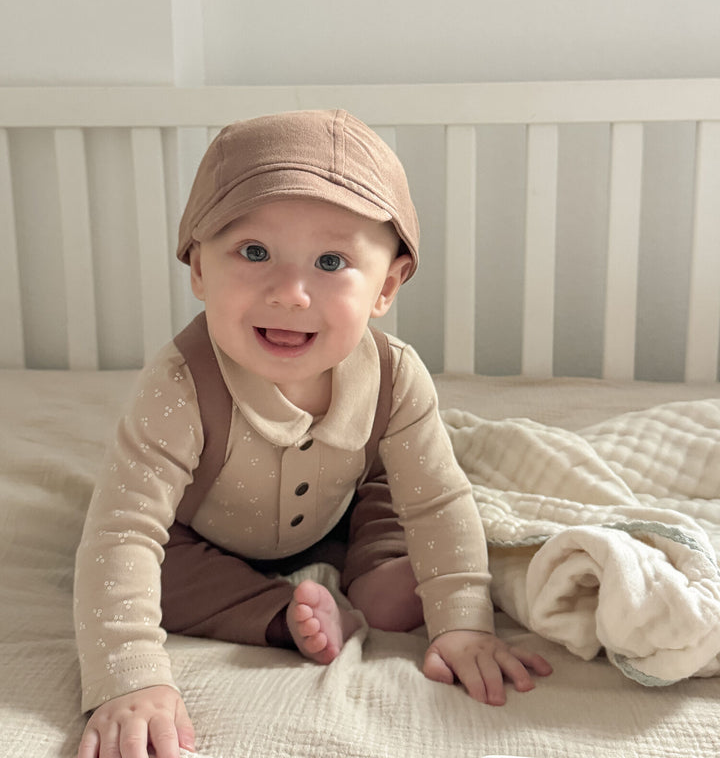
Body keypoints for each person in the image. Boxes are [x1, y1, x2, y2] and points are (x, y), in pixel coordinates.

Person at [74, 109, 551, 758]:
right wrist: (128, 680)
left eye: (331, 260)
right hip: (200, 531)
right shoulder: (178, 387)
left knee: (397, 511)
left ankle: (370, 578)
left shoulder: (395, 376)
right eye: (254, 252)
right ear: (198, 271)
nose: (291, 292)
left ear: (385, 287)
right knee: (144, 573)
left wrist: (462, 622)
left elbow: (436, 500)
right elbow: (126, 530)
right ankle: (281, 616)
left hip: (343, 503)